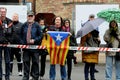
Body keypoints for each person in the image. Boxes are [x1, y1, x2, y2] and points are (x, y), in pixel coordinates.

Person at [20, 11, 42, 80]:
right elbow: (20, 35)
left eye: (31, 16)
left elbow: (41, 35)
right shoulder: (24, 25)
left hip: (35, 48)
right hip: (26, 48)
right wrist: (23, 43)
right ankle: (26, 76)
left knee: (35, 62)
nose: (30, 17)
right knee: (26, 62)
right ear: (27, 17)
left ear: (34, 17)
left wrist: (35, 40)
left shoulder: (37, 25)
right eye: (29, 16)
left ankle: (35, 76)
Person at [80, 15, 100, 80]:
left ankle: (92, 77)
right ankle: (86, 78)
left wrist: (98, 40)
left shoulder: (96, 32)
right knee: (87, 65)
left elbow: (97, 42)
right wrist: (85, 49)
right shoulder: (85, 31)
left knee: (93, 65)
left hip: (94, 50)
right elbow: (83, 41)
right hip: (88, 50)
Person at [0, 7, 13, 80]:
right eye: (1, 12)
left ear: (6, 13)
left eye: (4, 12)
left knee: (7, 61)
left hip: (7, 44)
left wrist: (9, 40)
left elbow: (13, 33)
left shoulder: (9, 21)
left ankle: (7, 77)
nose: (2, 13)